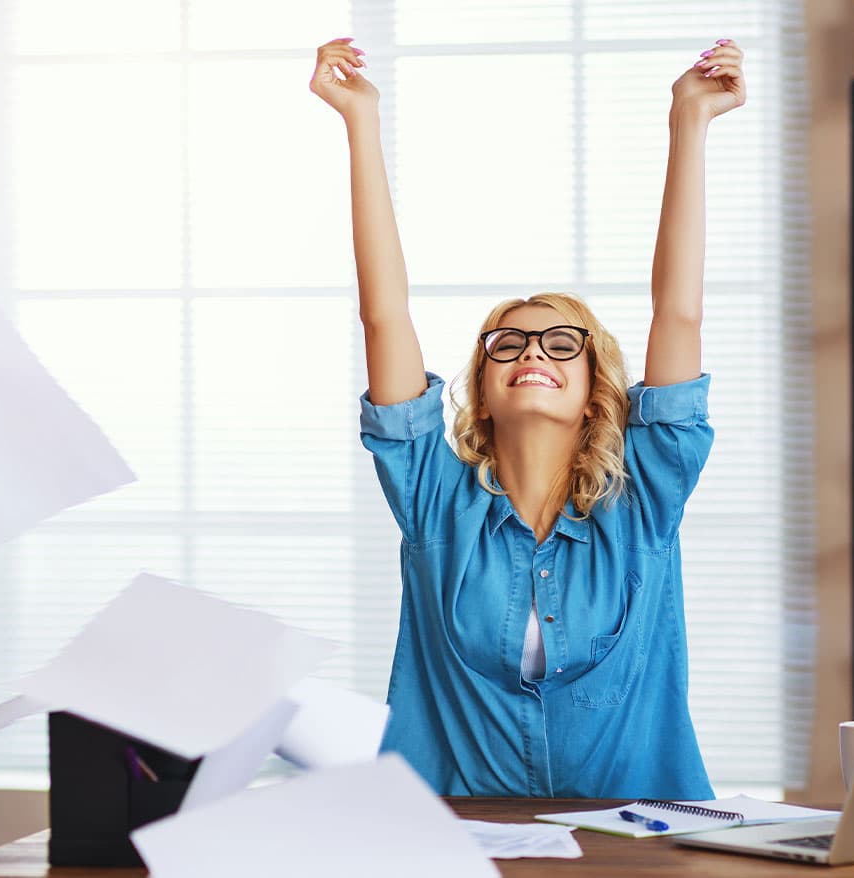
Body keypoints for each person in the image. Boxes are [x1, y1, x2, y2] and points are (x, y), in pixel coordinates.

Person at [308, 35, 746, 798]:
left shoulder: (642, 500)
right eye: (506, 344)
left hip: (634, 843)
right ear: (481, 387)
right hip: (458, 839)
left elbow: (679, 314)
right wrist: (359, 123)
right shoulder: (432, 499)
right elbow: (384, 319)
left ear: (597, 388)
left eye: (559, 342)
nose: (531, 351)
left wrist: (690, 122)